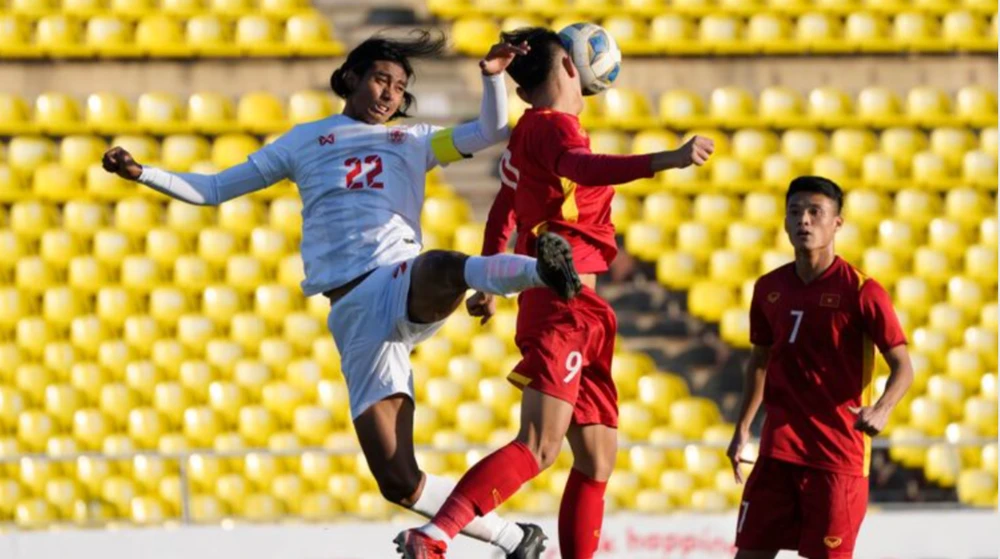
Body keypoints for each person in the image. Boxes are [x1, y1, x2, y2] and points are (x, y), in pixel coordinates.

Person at [101, 31, 580, 558]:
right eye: (380, 80)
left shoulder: (414, 140)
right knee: (399, 481)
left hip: (398, 278)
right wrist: (143, 174)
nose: (389, 94)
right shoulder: (304, 141)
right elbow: (214, 189)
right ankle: (515, 538)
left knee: (443, 265)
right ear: (351, 77)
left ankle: (544, 272)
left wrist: (491, 78)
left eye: (399, 87)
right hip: (355, 316)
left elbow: (491, 130)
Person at [395, 27, 714, 559]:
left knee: (597, 458)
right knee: (539, 445)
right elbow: (581, 168)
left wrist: (488, 279)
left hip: (584, 310)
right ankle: (436, 535)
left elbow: (504, 207)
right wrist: (667, 159)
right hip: (561, 304)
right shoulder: (553, 128)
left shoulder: (531, 130)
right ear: (570, 64)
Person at [725, 176, 914, 559]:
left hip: (836, 456)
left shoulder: (862, 291)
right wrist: (743, 427)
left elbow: (903, 367)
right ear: (784, 221)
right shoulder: (768, 288)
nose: (804, 220)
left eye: (815, 212)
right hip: (778, 451)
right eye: (795, 212)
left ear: (837, 223)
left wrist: (882, 409)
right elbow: (760, 361)